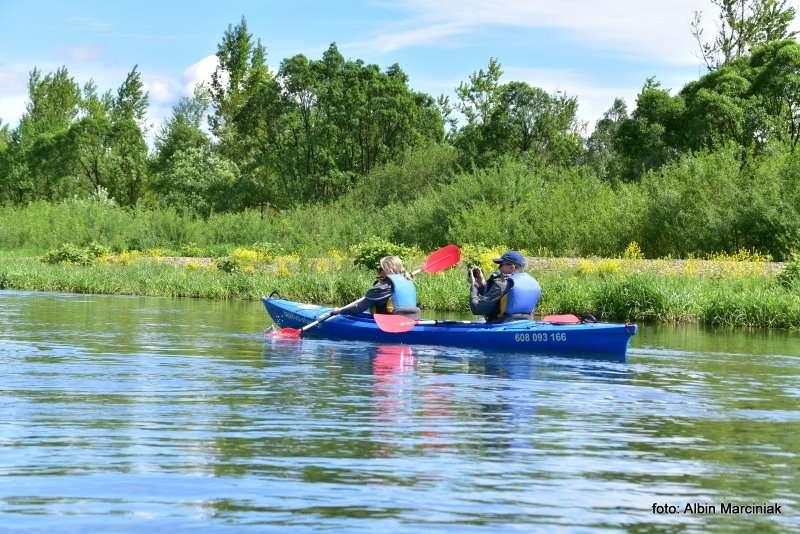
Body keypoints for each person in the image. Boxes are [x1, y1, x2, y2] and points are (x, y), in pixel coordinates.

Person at [330, 255, 420, 319]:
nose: (379, 272)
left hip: (391, 324)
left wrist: (339, 312)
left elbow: (359, 307)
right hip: (412, 319)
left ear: (389, 270)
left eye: (381, 269)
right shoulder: (407, 280)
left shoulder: (382, 287)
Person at [468, 250, 541, 322]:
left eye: (501, 265)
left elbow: (477, 309)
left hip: (501, 325)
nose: (499, 268)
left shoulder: (502, 284)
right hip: (525, 323)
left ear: (512, 267)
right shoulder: (533, 282)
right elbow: (498, 296)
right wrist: (482, 284)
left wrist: (474, 285)